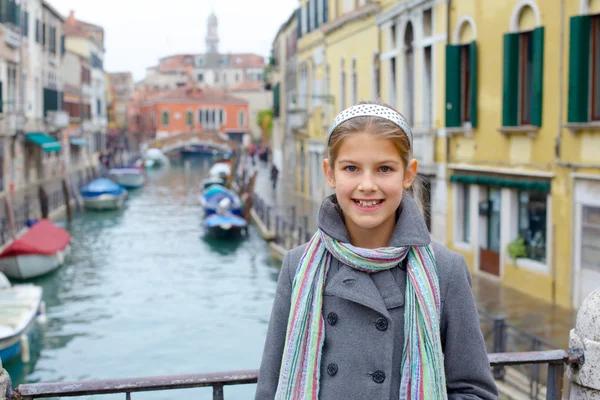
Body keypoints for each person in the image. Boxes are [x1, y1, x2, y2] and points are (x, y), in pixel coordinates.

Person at [255, 100, 498, 400]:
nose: (367, 185)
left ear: (408, 174)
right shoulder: (297, 265)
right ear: (330, 173)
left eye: (384, 168)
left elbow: (474, 391)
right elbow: (270, 387)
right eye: (351, 168)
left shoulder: (445, 270)